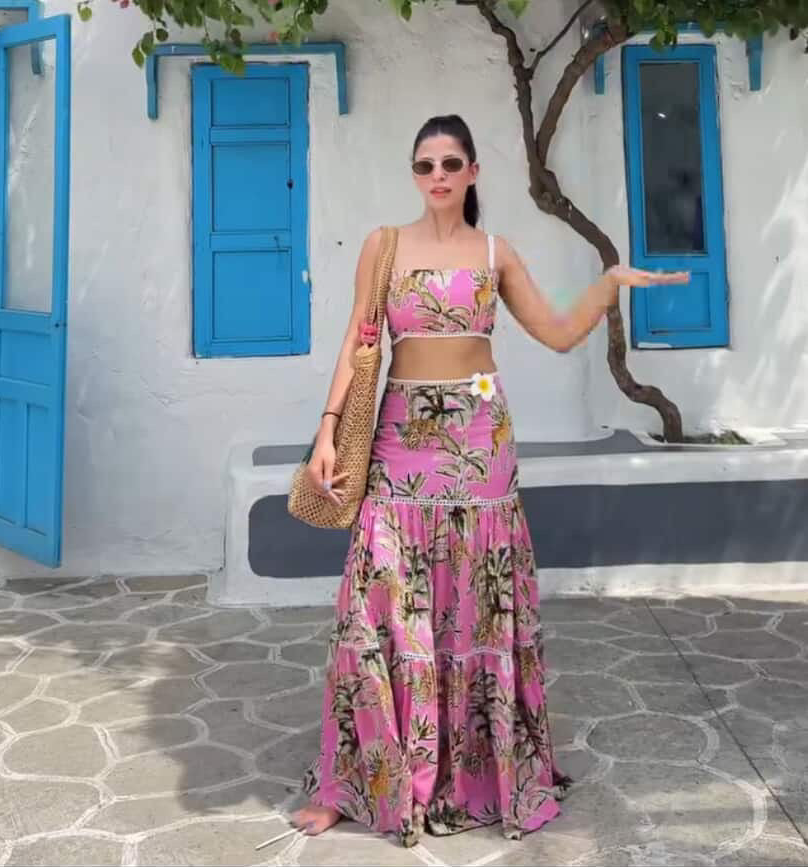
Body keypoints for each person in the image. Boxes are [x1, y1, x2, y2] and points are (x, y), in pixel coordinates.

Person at [290, 114, 689, 848]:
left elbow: (558, 332)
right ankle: (362, 779)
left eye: (450, 163)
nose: (437, 176)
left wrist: (608, 286)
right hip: (400, 439)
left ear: (473, 172)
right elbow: (358, 341)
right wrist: (327, 427)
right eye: (425, 165)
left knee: (475, 602)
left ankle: (475, 772)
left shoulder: (496, 252)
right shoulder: (383, 245)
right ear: (414, 174)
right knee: (374, 600)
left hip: (480, 440)